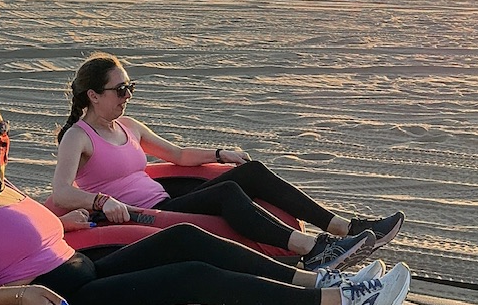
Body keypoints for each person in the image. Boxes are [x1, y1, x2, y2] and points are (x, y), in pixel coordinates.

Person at [0, 100, 411, 305]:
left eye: (0, 129)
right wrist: (18, 294)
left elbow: (31, 225)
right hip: (57, 296)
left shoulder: (4, 189)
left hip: (82, 264)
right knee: (192, 277)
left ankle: (320, 279)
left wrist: (61, 219)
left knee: (184, 239)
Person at [53, 53, 405, 272]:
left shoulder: (127, 126)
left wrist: (221, 154)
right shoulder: (78, 137)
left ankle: (346, 228)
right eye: (120, 90)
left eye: (131, 87)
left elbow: (176, 156)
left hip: (163, 201)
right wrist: (101, 201)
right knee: (229, 193)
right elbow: (62, 191)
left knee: (248, 172)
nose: (127, 96)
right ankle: (314, 250)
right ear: (94, 95)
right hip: (143, 214)